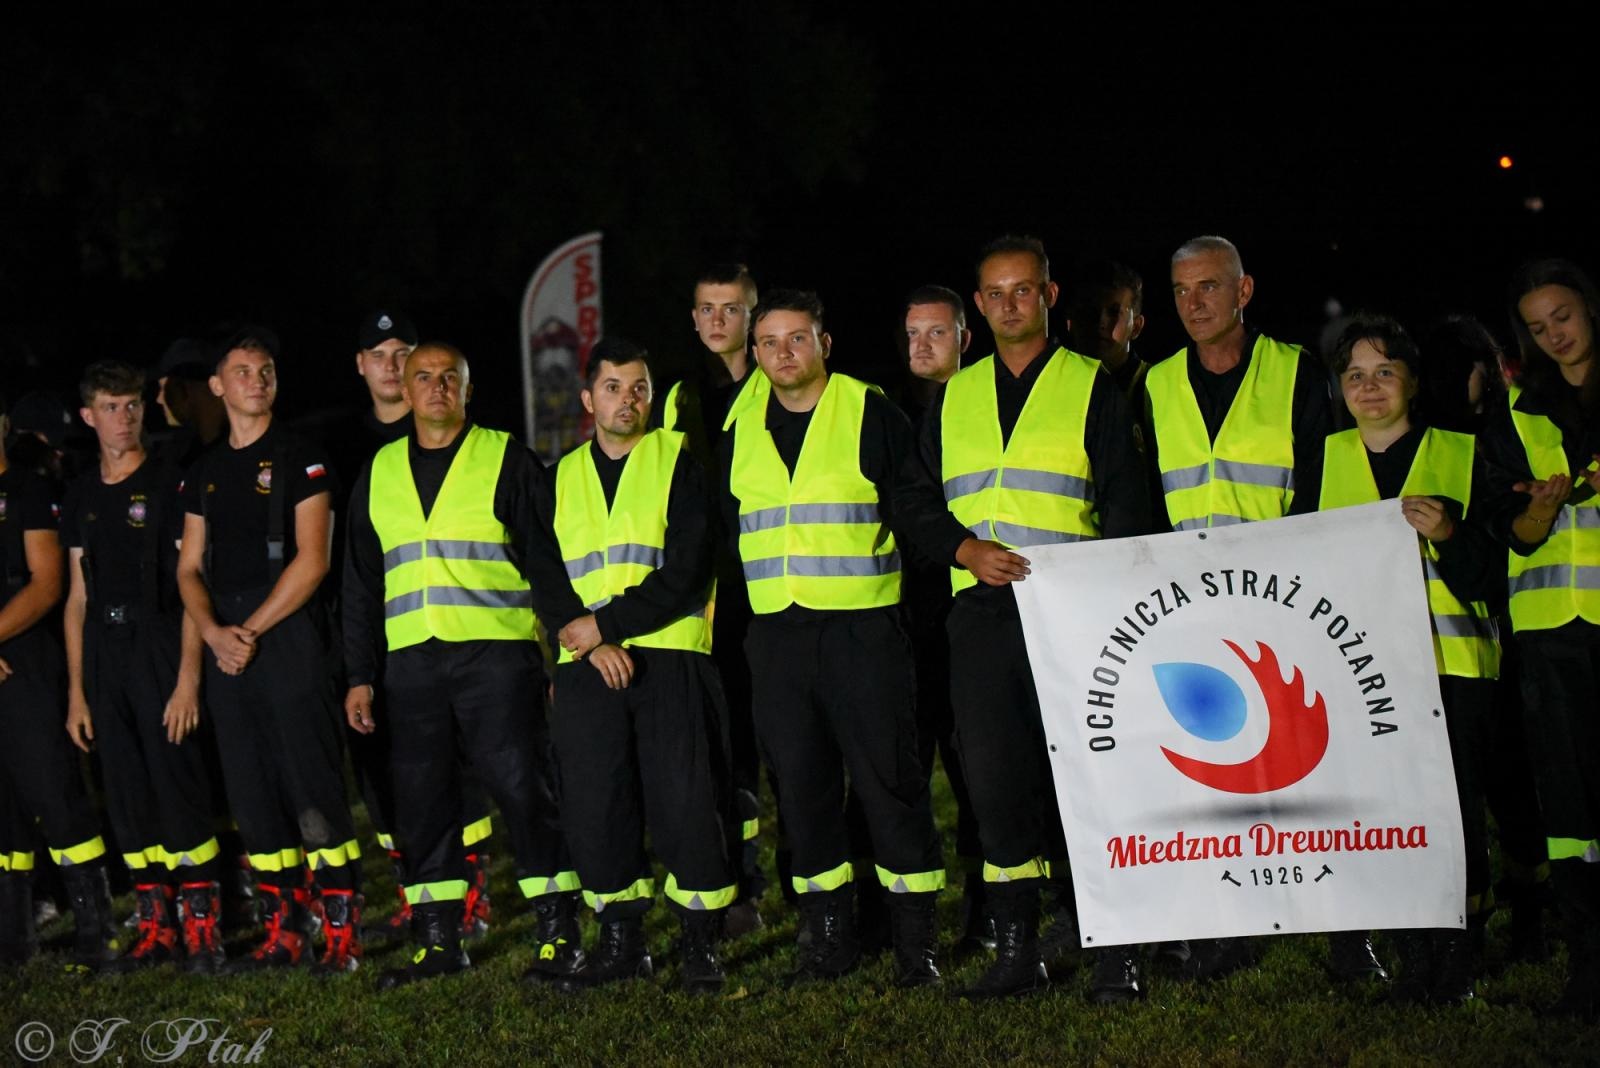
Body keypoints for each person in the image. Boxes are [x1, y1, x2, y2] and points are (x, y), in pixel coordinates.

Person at [895, 235, 1148, 1001]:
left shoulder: (1093, 385)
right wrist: (964, 548)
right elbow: (915, 501)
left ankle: (1116, 952)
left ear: (1049, 295)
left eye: (1023, 291)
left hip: (1073, 615)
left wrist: (1094, 588)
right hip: (980, 617)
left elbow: (1130, 507)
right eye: (995, 294)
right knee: (998, 783)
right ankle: (1017, 950)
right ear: (980, 306)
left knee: (1092, 781)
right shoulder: (955, 396)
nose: (1009, 304)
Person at [721, 289, 944, 988]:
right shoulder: (740, 424)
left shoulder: (868, 409)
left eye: (796, 339)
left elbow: (910, 504)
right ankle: (828, 942)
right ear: (753, 353)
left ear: (824, 343)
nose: (782, 354)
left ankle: (915, 946)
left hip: (863, 632)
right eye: (769, 343)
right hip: (778, 641)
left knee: (892, 789)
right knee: (803, 795)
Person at [1142, 235, 1350, 983]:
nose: (1193, 304)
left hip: (1283, 600)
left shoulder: (1297, 372)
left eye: (1208, 287)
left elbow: (1328, 482)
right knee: (1212, 772)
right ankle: (1222, 929)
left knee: (1315, 768)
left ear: (1244, 291)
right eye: (1180, 291)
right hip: (1193, 611)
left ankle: (1343, 931)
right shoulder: (1156, 382)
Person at [342, 342, 580, 989]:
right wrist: (360, 674)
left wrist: (563, 656)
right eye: (425, 377)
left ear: (467, 389)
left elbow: (546, 562)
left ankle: (559, 933)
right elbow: (361, 585)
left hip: (496, 660)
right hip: (409, 668)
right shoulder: (380, 470)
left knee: (526, 791)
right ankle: (439, 943)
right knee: (422, 805)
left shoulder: (505, 457)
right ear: (406, 389)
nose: (438, 387)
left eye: (451, 377)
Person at [1312, 315, 1502, 1002]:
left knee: (1453, 814)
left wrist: (1449, 532)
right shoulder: (1326, 461)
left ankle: (1458, 961)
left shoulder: (1461, 452)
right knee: (1389, 817)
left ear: (1413, 382)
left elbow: (1488, 576)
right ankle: (1413, 957)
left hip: (1452, 669)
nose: (1368, 386)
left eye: (1384, 371)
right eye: (1355, 374)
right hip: (1365, 679)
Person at [546, 338, 734, 994]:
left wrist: (607, 625)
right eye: (613, 387)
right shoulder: (560, 474)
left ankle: (699, 943)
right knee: (598, 805)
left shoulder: (679, 458)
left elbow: (688, 568)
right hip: (587, 668)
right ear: (586, 397)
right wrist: (593, 644)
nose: (627, 400)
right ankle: (622, 940)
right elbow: (546, 576)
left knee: (687, 804)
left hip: (671, 658)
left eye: (639, 388)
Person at [175, 327, 364, 973]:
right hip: (228, 645)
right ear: (218, 385)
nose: (256, 379)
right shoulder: (200, 473)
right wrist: (212, 633)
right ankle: (285, 928)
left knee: (312, 783)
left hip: (285, 640)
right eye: (243, 370)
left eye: (265, 369)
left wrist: (246, 632)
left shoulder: (301, 456)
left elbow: (313, 562)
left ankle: (341, 928)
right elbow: (188, 569)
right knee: (253, 794)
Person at [323, 311, 497, 944]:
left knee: (459, 767)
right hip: (383, 633)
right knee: (386, 769)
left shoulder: (460, 438)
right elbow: (354, 564)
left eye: (407, 354)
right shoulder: (344, 447)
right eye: (382, 353)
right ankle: (415, 890)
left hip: (457, 630)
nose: (395, 366)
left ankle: (471, 893)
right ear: (361, 364)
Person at [61, 361, 228, 972]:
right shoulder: (78, 492)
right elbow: (76, 597)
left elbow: (192, 584)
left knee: (177, 783)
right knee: (127, 794)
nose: (124, 418)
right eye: (110, 407)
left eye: (132, 405)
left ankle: (204, 927)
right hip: (106, 657)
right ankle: (156, 923)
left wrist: (188, 679)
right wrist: (77, 692)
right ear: (87, 416)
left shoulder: (169, 482)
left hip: (160, 644)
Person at [1480, 258, 1600, 1016]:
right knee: (1572, 815)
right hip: (1554, 637)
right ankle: (1588, 971)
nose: (1553, 333)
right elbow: (1514, 536)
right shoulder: (1518, 413)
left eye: (1562, 315)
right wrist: (1543, 511)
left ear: (1589, 308)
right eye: (1536, 325)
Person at [657, 263, 767, 934]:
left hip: (778, 591)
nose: (719, 319)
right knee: (725, 750)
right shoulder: (678, 399)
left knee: (783, 744)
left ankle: (820, 896)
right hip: (708, 602)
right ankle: (741, 885)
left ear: (753, 317)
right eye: (708, 308)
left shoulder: (777, 385)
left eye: (732, 307)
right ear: (694, 320)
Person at [0, 388, 118, 970]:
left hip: (27, 665)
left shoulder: (28, 490)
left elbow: (48, 584)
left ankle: (98, 931)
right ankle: (14, 939)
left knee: (55, 793)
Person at [898, 285, 988, 953]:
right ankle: (906, 918)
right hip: (901, 624)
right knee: (902, 773)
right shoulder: (890, 415)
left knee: (975, 775)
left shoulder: (984, 409)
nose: (921, 346)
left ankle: (988, 910)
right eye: (911, 334)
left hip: (970, 616)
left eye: (936, 332)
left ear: (965, 337)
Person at [1064, 259, 1148, 399]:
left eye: (1114, 312)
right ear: (1070, 323)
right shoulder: (1049, 384)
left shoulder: (1158, 387)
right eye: (1090, 311)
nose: (1101, 322)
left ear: (1136, 327)